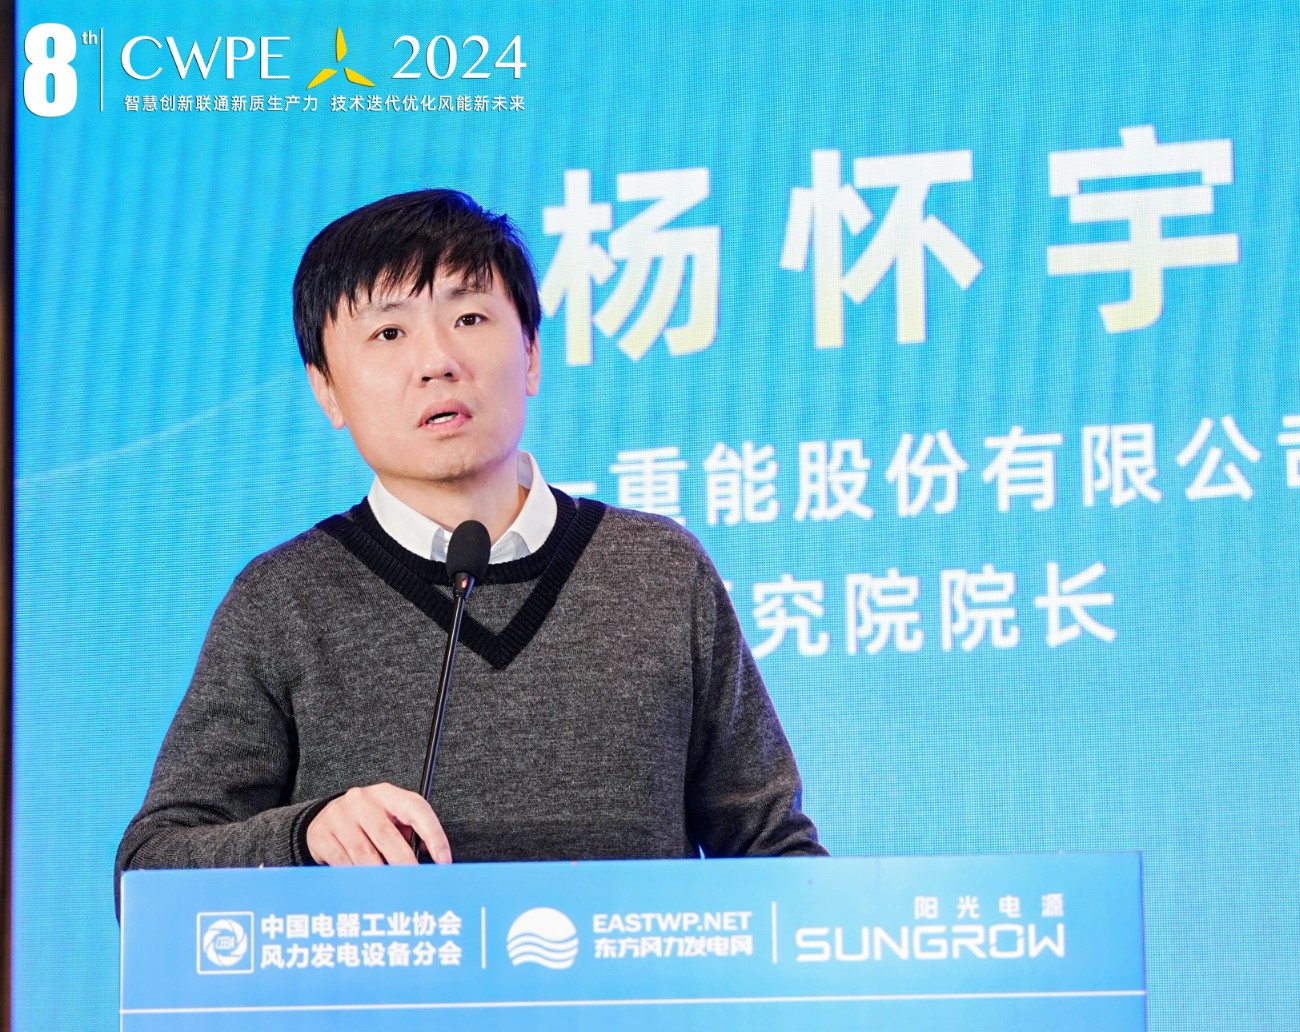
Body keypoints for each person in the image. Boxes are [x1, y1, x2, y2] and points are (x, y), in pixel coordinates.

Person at [115, 189, 824, 909]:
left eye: (470, 318)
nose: (437, 361)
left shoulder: (659, 571)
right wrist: (304, 838)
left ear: (532, 354)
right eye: (389, 333)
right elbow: (148, 873)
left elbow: (776, 854)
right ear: (326, 390)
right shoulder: (284, 600)